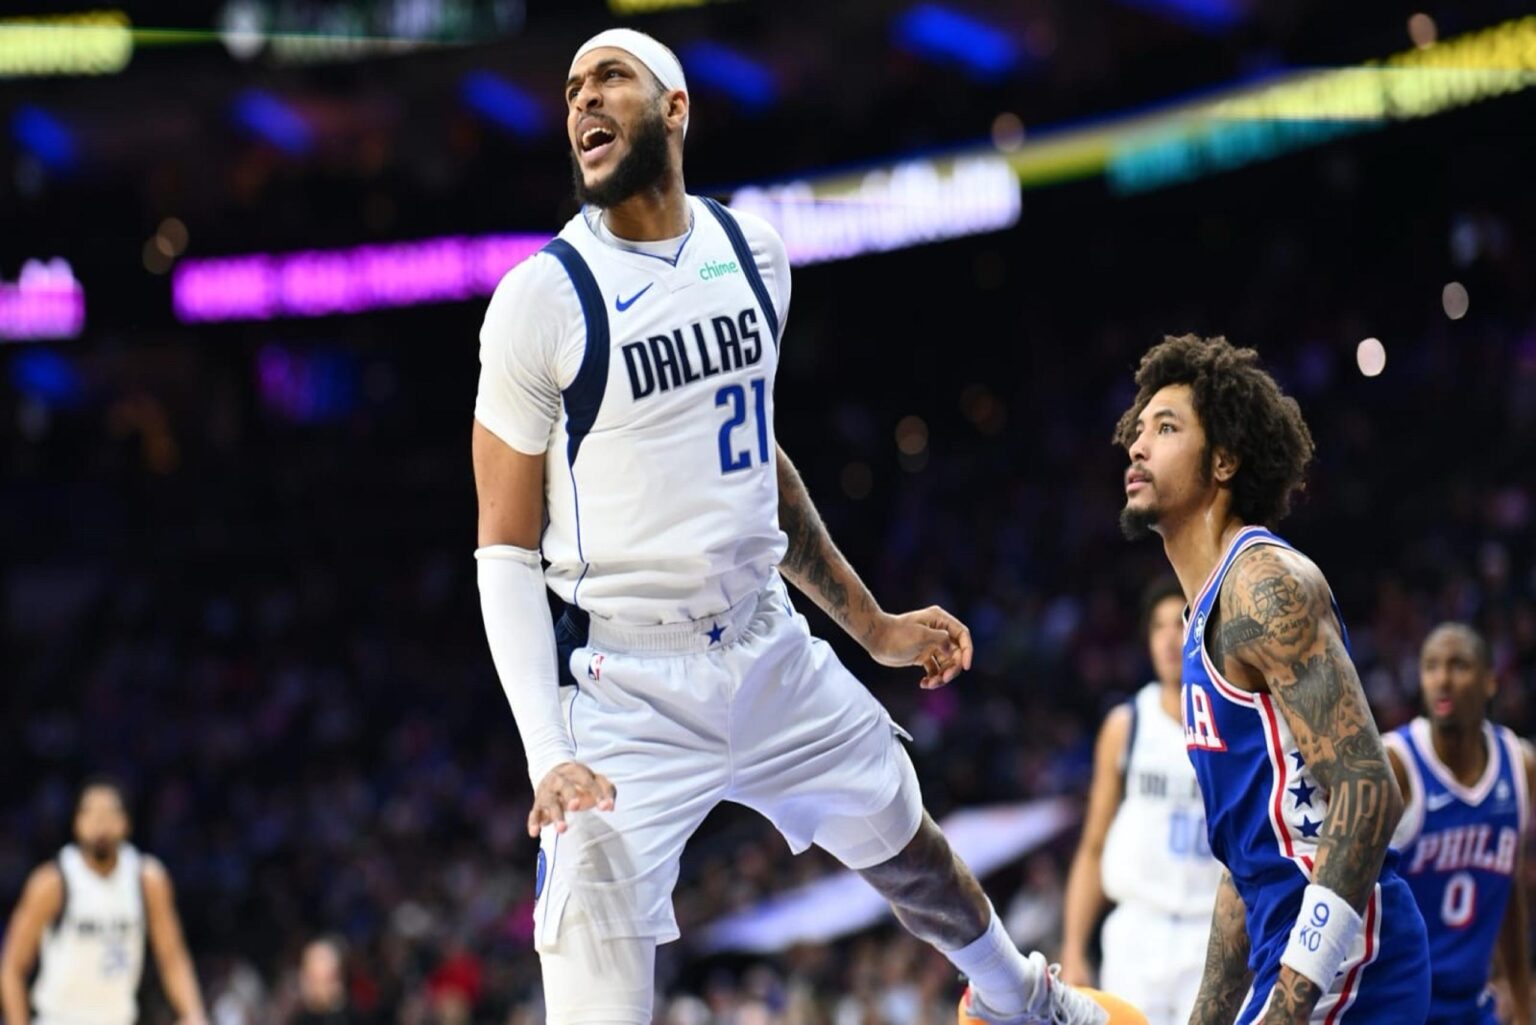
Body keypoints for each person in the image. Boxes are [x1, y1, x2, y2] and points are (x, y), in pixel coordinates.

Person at [471, 26, 1140, 1025]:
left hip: (762, 642)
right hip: (621, 694)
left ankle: (1022, 1000)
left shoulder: (754, 253)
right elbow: (502, 546)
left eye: (608, 78)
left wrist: (870, 624)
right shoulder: (540, 299)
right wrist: (542, 753)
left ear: (675, 107)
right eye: (570, 90)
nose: (582, 103)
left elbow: (756, 465)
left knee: (905, 839)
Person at [1115, 334, 1430, 1024]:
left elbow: (1369, 792)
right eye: (1137, 430)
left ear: (1224, 458)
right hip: (1294, 954)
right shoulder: (1204, 620)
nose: (1138, 446)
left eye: (1166, 428)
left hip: (1351, 962)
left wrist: (1289, 1003)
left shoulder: (1261, 584)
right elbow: (1246, 865)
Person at [1061, 576, 1222, 1024]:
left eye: (1182, 624)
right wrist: (1073, 948)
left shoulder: (1233, 724)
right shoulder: (1126, 725)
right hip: (1137, 930)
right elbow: (1094, 845)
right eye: (1158, 627)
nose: (1171, 639)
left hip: (1209, 936)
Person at [1383, 623, 1533, 1025]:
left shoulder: (1520, 767)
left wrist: (1521, 996)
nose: (1443, 680)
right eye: (1431, 666)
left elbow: (1508, 887)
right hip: (1400, 1002)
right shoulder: (1394, 763)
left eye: (1459, 666)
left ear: (1490, 682)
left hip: (1471, 1003)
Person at [0, 779, 208, 1025]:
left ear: (126, 822)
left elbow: (172, 956)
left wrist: (193, 1013)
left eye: (110, 812)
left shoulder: (147, 879)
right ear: (77, 823)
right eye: (91, 812)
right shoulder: (52, 882)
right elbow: (12, 967)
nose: (100, 822)